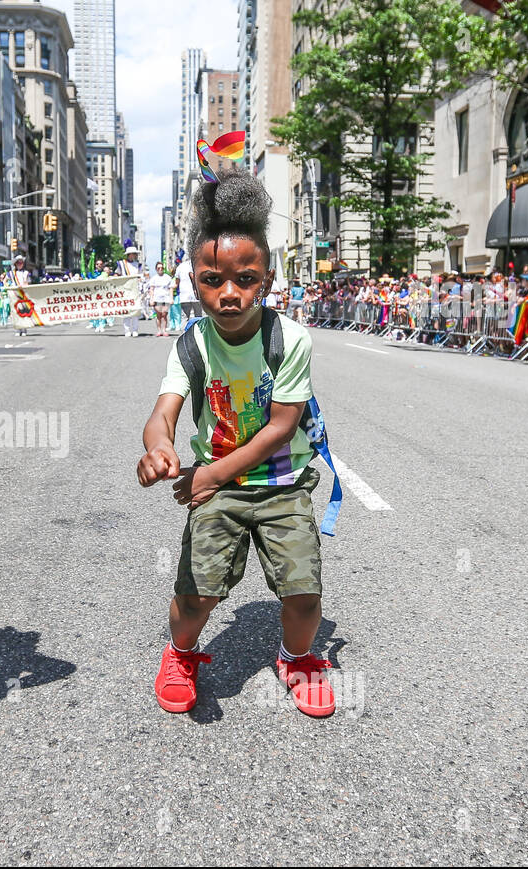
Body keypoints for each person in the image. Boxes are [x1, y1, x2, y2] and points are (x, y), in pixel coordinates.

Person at [136, 168, 333, 719]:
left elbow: (280, 427)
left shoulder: (290, 339)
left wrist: (211, 474)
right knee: (198, 592)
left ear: (267, 280)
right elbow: (162, 414)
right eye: (212, 280)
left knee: (303, 593)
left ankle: (297, 658)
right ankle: (180, 653)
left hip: (279, 482)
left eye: (245, 279)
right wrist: (157, 449)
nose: (228, 294)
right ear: (194, 280)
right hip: (215, 485)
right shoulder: (191, 343)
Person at [117, 240, 144, 337]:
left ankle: (135, 329)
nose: (132, 255)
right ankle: (127, 330)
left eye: (134, 254)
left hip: (135, 290)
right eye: (131, 254)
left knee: (135, 310)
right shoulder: (121, 264)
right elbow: (117, 275)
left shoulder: (138, 265)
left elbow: (141, 277)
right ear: (128, 255)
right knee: (127, 311)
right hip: (125, 290)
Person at [174, 248, 201, 329]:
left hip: (184, 295)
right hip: (196, 295)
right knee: (199, 317)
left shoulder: (180, 267)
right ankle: (200, 334)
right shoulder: (197, 264)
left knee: (185, 317)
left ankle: (184, 336)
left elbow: (177, 282)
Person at [149, 261, 173, 336]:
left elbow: (171, 289)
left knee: (164, 314)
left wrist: (171, 299)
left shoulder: (167, 277)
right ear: (156, 269)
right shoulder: (154, 278)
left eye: (161, 268)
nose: (160, 269)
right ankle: (159, 330)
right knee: (158, 315)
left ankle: (164, 330)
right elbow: (151, 289)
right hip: (157, 298)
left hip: (166, 298)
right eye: (158, 268)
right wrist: (151, 299)